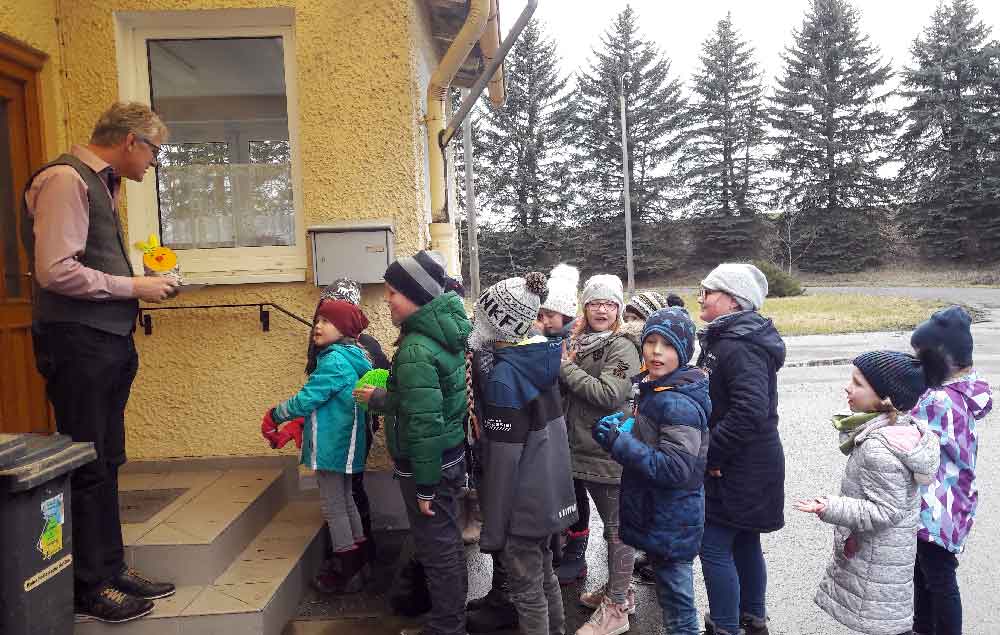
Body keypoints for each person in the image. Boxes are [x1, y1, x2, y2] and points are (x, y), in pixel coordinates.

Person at [23, 102, 178, 623]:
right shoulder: (67, 180)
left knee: (108, 459)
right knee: (89, 464)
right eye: (154, 149)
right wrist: (135, 286)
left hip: (106, 340)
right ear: (131, 140)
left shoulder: (101, 182)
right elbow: (55, 271)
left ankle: (110, 568)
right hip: (78, 343)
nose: (155, 161)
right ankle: (89, 586)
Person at [354, 250, 471, 635]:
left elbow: (424, 423)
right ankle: (448, 620)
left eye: (391, 292)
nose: (387, 299)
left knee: (439, 552)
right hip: (448, 457)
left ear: (416, 294)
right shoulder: (439, 332)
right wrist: (382, 399)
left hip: (428, 466)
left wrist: (424, 484)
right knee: (447, 545)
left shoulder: (417, 348)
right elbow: (421, 398)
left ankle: (446, 628)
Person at [796, 350, 943, 635]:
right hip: (886, 557)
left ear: (885, 398)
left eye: (858, 383)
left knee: (888, 627)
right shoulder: (899, 430)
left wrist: (829, 507)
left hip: (878, 560)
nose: (848, 388)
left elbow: (887, 510)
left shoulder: (879, 447)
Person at [470, 272, 579, 635]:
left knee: (527, 590)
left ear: (497, 325)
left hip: (521, 506)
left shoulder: (504, 378)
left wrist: (494, 529)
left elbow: (503, 463)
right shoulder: (538, 362)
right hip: (547, 495)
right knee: (544, 575)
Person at [593, 306, 710, 635]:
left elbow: (675, 467)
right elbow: (655, 442)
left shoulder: (676, 402)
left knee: (677, 603)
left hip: (671, 518)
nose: (657, 351)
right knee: (669, 593)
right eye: (651, 341)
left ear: (684, 351)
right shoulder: (657, 388)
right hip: (659, 513)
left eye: (669, 345)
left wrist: (620, 443)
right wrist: (624, 429)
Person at [695, 263, 785, 635]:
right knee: (745, 539)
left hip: (740, 464)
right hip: (747, 461)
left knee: (714, 545)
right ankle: (753, 618)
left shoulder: (740, 346)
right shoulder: (728, 338)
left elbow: (750, 410)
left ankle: (727, 627)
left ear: (733, 301)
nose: (700, 297)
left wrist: (710, 454)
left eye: (708, 292)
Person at [265, 299, 373, 593]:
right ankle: (360, 563)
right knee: (346, 501)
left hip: (332, 446)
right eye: (318, 320)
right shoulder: (353, 356)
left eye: (327, 321)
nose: (318, 326)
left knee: (333, 506)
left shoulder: (334, 361)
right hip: (345, 443)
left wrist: (275, 414)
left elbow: (307, 399)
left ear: (345, 329)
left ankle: (345, 570)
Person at [561, 274, 642, 635]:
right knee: (611, 526)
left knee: (616, 530)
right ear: (585, 305)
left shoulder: (622, 346)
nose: (602, 309)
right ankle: (619, 591)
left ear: (619, 309)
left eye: (610, 303)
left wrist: (565, 367)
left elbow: (610, 394)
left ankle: (617, 607)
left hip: (607, 450)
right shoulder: (580, 340)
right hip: (583, 449)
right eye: (595, 302)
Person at [908, 306, 993, 635]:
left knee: (939, 577)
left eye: (920, 359)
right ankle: (922, 628)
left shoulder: (940, 401)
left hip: (936, 505)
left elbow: (902, 419)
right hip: (951, 499)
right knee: (925, 572)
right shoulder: (964, 394)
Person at [306, 278, 389, 564]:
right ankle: (354, 551)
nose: (322, 320)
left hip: (353, 428)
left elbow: (384, 382)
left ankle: (356, 557)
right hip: (333, 428)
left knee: (349, 491)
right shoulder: (321, 342)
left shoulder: (364, 345)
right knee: (343, 494)